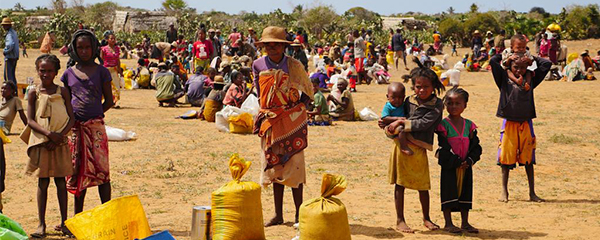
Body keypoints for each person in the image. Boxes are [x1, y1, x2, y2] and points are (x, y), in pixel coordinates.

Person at [252, 26, 313, 226]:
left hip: (293, 123)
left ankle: (298, 214)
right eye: (268, 45)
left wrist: (295, 110)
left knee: (295, 167)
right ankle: (278, 215)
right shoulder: (258, 65)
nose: (272, 48)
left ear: (283, 46)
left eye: (276, 44)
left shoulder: (294, 65)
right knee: (274, 167)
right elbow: (260, 93)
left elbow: (308, 92)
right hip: (270, 122)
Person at [385, 57, 445, 233]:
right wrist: (391, 126)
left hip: (419, 148)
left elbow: (423, 123)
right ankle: (400, 219)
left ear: (433, 87)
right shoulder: (408, 100)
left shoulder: (437, 105)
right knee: (400, 184)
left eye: (426, 87)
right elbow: (394, 114)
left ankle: (426, 218)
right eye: (418, 86)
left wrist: (400, 123)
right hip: (400, 146)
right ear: (413, 87)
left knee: (423, 185)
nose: (421, 90)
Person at [490, 43, 552, 203]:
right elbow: (493, 61)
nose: (519, 70)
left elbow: (547, 64)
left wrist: (529, 57)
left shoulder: (531, 79)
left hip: (526, 122)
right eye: (515, 67)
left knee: (528, 159)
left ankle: (532, 193)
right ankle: (504, 192)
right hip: (509, 122)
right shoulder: (503, 79)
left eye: (523, 67)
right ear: (509, 66)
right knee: (505, 159)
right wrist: (508, 56)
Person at [61, 30, 114, 215]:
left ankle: (106, 213)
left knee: (102, 172)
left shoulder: (102, 72)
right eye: (80, 48)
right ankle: (78, 216)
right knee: (77, 172)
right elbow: (65, 102)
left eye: (87, 47)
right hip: (75, 130)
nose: (84, 51)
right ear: (74, 49)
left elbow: (109, 100)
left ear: (94, 48)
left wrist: (95, 116)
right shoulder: (68, 74)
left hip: (96, 129)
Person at [24, 54, 75, 238]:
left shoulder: (63, 92)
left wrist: (59, 136)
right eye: (42, 70)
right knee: (43, 182)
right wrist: (49, 135)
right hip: (42, 143)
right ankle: (41, 224)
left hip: (60, 143)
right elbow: (30, 120)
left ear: (56, 72)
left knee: (61, 182)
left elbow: (72, 117)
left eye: (49, 71)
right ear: (37, 71)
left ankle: (64, 222)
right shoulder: (33, 92)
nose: (45, 74)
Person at [434, 87, 482, 234]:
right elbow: (444, 146)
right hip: (450, 165)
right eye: (450, 103)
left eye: (457, 103)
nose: (453, 106)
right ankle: (448, 223)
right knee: (448, 191)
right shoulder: (443, 125)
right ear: (445, 104)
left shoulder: (469, 126)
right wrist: (455, 161)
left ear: (465, 105)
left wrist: (469, 160)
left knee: (465, 192)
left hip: (466, 166)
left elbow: (476, 146)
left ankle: (465, 222)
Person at [378, 82, 409, 155]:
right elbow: (384, 118)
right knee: (401, 128)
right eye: (393, 97)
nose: (397, 100)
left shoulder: (404, 105)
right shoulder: (388, 106)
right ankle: (404, 147)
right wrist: (399, 119)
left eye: (400, 97)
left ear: (404, 97)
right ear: (387, 96)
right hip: (391, 127)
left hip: (401, 125)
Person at [101, 33, 123, 108]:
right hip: (106, 70)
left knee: (116, 87)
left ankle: (113, 102)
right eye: (111, 38)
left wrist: (120, 71)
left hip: (114, 70)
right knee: (107, 86)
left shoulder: (117, 49)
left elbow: (118, 60)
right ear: (107, 40)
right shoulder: (103, 49)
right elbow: (102, 60)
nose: (113, 40)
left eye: (114, 38)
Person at [2, 17, 19, 87]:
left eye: (4, 25)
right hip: (15, 57)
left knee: (8, 77)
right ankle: (15, 92)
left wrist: (5, 51)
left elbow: (10, 44)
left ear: (8, 25)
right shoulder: (14, 32)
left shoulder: (9, 34)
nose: (3, 27)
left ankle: (10, 94)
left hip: (9, 57)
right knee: (12, 76)